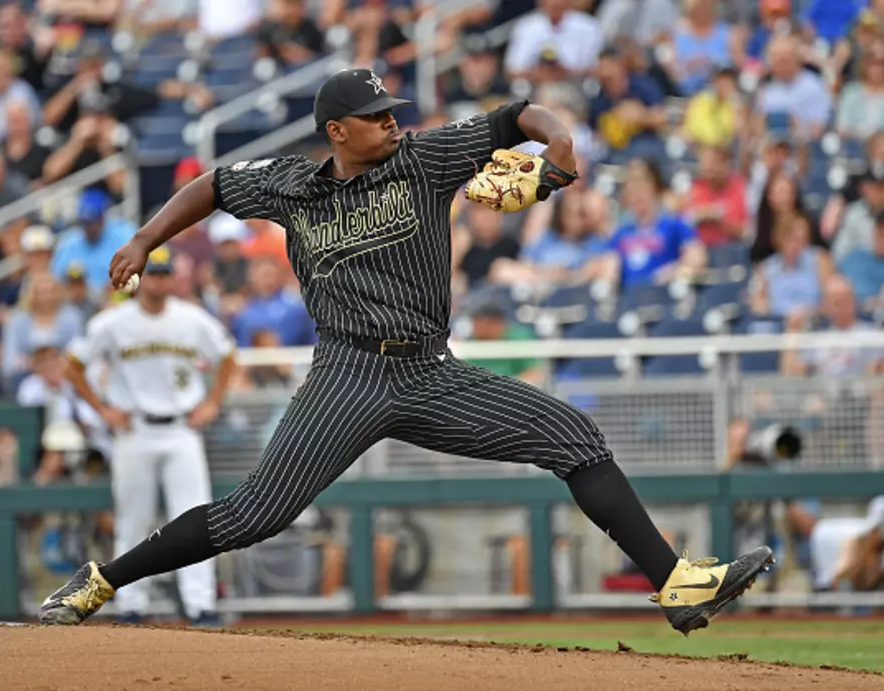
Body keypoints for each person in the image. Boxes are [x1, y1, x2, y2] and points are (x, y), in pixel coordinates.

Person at [38, 68, 773, 634]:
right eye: (375, 117)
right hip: (347, 373)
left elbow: (516, 113)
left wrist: (557, 143)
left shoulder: (422, 158)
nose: (393, 123)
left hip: (427, 368)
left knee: (572, 435)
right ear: (335, 132)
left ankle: (676, 583)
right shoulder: (292, 186)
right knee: (251, 516)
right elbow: (213, 185)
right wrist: (143, 238)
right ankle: (102, 580)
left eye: (393, 113)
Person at [59, 245, 234, 626]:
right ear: (140, 280)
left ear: (174, 277)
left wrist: (212, 402)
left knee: (194, 519)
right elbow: (72, 366)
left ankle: (201, 604)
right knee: (132, 520)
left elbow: (228, 355)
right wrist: (103, 409)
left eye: (165, 273)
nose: (159, 279)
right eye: (153, 273)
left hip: (181, 428)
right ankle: (131, 606)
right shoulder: (113, 321)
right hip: (134, 429)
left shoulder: (191, 318)